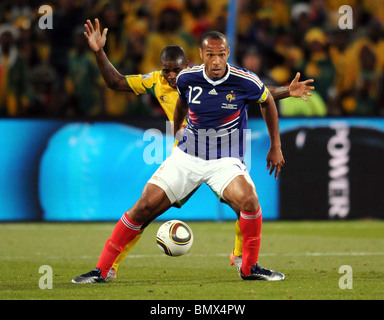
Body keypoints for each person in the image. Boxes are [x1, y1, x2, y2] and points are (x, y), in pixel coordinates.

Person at [74, 21, 313, 282]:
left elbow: (264, 98)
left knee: (249, 201)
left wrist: (276, 145)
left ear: (228, 53)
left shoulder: (244, 80)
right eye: (210, 54)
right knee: (143, 207)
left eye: (221, 54)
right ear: (201, 55)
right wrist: (177, 130)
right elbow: (179, 102)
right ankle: (102, 270)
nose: (216, 60)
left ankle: (248, 267)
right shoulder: (186, 79)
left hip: (225, 160)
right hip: (187, 156)